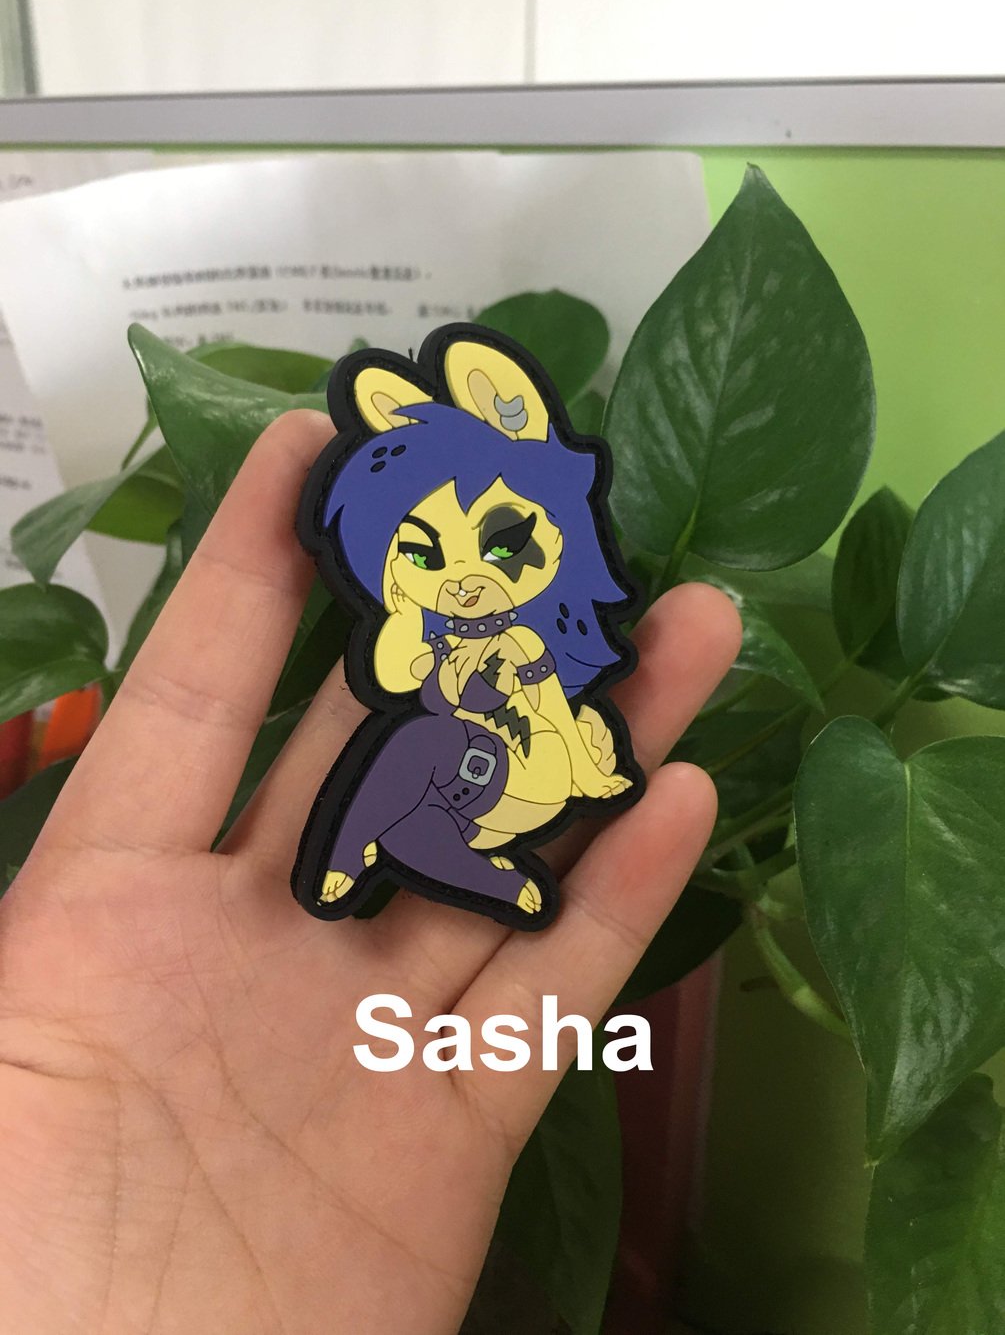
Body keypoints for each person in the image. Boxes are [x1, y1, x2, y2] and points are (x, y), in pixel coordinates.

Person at [0, 410, 741, 1333]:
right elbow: (440, 692)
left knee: (425, 772)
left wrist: (547, 719)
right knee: (417, 760)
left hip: (516, 782)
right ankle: (389, 856)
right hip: (459, 785)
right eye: (422, 556)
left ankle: (379, 853)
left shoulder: (547, 646)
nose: (466, 577)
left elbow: (557, 727)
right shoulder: (429, 651)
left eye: (500, 543)